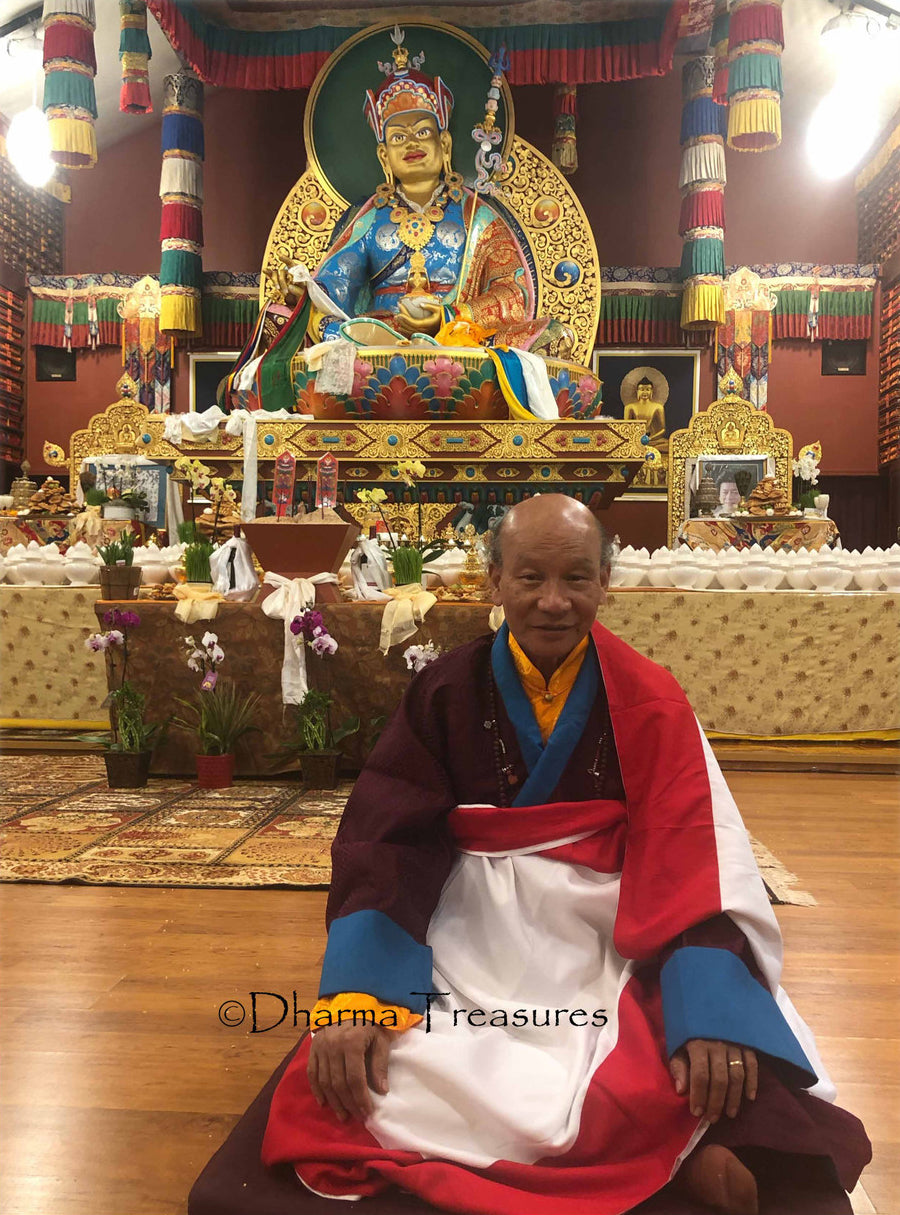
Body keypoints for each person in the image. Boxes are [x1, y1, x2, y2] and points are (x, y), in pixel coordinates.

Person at [261, 494, 870, 1215]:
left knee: (705, 1049)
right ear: (493, 581)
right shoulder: (446, 690)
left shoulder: (651, 697)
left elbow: (693, 854)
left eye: (577, 578)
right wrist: (361, 991)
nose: (554, 602)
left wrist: (707, 996)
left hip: (609, 923)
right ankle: (675, 1158)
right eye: (530, 578)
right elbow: (388, 837)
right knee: (367, 1055)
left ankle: (695, 1153)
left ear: (606, 583)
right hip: (477, 929)